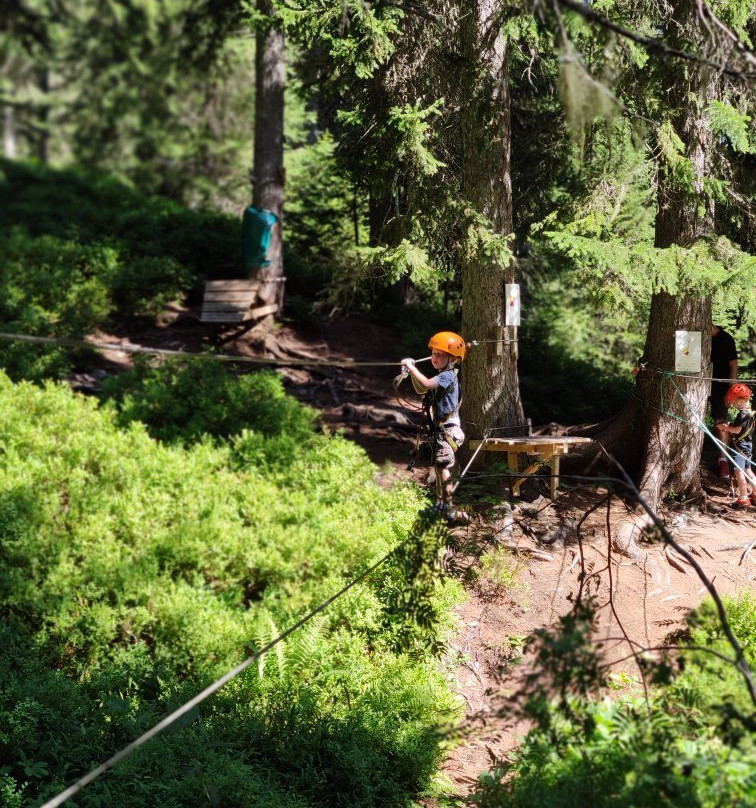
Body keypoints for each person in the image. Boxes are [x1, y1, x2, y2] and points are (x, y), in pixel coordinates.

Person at [402, 331, 468, 523]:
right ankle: (442, 505)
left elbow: (426, 383)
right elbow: (421, 388)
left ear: (454, 359)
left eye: (441, 355)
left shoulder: (447, 376)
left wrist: (410, 367)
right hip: (443, 431)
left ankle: (447, 507)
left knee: (442, 467)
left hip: (449, 430)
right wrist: (411, 369)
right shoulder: (443, 375)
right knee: (439, 469)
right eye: (434, 353)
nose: (435, 357)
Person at [716, 383, 756, 510]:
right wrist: (730, 425)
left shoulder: (742, 415)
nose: (732, 404)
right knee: (748, 470)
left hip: (740, 448)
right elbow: (742, 428)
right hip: (747, 446)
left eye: (733, 401)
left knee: (739, 472)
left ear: (740, 400)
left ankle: (743, 498)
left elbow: (738, 430)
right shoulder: (749, 413)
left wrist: (725, 428)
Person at [710, 324, 739, 479]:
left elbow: (733, 364)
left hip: (721, 388)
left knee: (721, 422)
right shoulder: (696, 336)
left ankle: (723, 459)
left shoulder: (726, 339)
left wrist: (731, 389)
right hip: (699, 384)